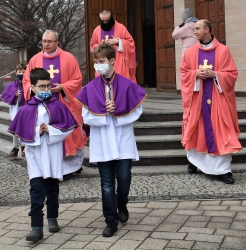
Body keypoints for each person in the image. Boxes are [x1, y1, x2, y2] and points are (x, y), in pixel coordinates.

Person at [75, 44, 147, 237]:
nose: (98, 65)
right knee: (106, 184)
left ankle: (121, 203)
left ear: (112, 61)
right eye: (96, 62)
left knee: (124, 179)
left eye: (102, 62)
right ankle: (110, 220)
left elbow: (137, 111)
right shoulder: (90, 88)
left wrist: (118, 110)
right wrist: (103, 112)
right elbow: (86, 117)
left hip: (122, 140)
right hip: (103, 142)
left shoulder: (126, 85)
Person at [8, 68, 78, 241]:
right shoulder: (26, 109)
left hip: (53, 151)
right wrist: (36, 133)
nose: (46, 90)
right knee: (37, 189)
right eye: (42, 87)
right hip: (35, 153)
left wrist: (52, 130)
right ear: (33, 88)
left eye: (48, 86)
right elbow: (21, 134)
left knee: (52, 187)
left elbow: (67, 128)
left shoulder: (57, 105)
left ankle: (52, 217)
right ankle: (36, 227)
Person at [180, 19, 242, 184]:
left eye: (198, 29)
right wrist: (195, 74)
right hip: (198, 99)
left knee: (219, 131)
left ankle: (223, 170)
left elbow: (232, 73)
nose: (195, 32)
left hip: (218, 99)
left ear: (207, 30)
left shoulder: (223, 51)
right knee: (197, 129)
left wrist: (216, 75)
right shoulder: (191, 52)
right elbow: (184, 71)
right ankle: (195, 161)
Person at [22, 30, 86, 177]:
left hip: (63, 103)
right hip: (41, 106)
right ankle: (43, 167)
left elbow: (77, 80)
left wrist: (63, 87)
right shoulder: (35, 60)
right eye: (44, 41)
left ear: (57, 42)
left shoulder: (69, 58)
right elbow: (26, 82)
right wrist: (35, 91)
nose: (46, 44)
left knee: (66, 132)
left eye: (49, 41)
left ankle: (69, 168)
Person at [90, 10, 137, 82]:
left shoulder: (121, 28)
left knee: (120, 85)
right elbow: (92, 45)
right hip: (103, 64)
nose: (105, 23)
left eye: (107, 20)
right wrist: (100, 45)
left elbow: (131, 43)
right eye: (103, 21)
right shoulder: (97, 30)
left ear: (111, 18)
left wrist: (118, 42)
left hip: (118, 63)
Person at [1, 63, 26, 157]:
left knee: (23, 127)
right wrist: (14, 94)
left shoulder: (29, 84)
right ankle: (16, 147)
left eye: (24, 72)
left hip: (25, 109)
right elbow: (5, 95)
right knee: (15, 128)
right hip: (15, 109)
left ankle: (24, 146)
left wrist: (23, 93)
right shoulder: (11, 85)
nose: (21, 73)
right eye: (19, 71)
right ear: (16, 72)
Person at [142, 18, 156, 87]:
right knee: (146, 66)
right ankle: (147, 82)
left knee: (151, 66)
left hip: (151, 50)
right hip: (144, 50)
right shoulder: (142, 30)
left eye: (148, 22)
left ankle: (152, 83)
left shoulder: (152, 29)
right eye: (146, 22)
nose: (147, 23)